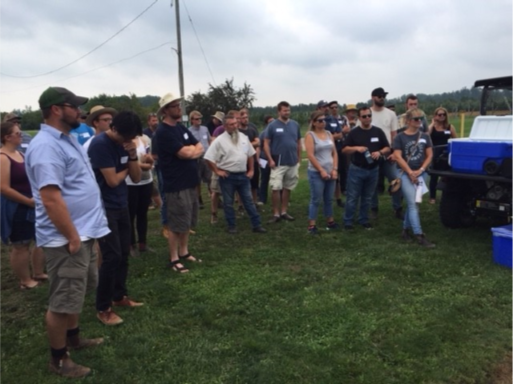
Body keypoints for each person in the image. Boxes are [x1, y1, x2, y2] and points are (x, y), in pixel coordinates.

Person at [25, 86, 110, 378]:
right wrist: (73, 237)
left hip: (83, 233)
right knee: (63, 301)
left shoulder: (67, 139)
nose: (80, 111)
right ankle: (59, 359)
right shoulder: (46, 146)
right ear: (57, 109)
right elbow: (50, 197)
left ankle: (74, 337)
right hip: (66, 238)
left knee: (77, 291)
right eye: (74, 106)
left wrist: (88, 233)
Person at [88, 111, 144, 326]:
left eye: (132, 138)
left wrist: (131, 157)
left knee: (123, 252)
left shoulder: (126, 144)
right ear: (114, 129)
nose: (129, 142)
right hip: (105, 207)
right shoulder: (100, 145)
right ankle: (103, 308)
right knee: (111, 257)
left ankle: (119, 296)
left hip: (122, 204)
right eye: (126, 138)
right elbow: (111, 181)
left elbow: (137, 177)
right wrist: (126, 171)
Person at [154, 93, 204, 273]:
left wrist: (191, 150)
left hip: (190, 182)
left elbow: (199, 146)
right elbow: (185, 154)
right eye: (174, 106)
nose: (178, 108)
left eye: (178, 105)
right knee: (176, 223)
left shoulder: (181, 128)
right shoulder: (163, 132)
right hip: (176, 185)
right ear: (165, 110)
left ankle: (184, 252)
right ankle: (173, 258)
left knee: (187, 220)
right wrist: (191, 151)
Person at [0, 122, 46, 289]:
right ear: (7, 137)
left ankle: (38, 272)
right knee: (21, 244)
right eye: (18, 133)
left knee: (40, 239)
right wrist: (27, 201)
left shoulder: (20, 154)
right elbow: (3, 188)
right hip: (17, 207)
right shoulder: (3, 158)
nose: (22, 135)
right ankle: (25, 281)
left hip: (32, 204)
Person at [204, 114, 267, 234]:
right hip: (228, 176)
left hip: (243, 175)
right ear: (225, 126)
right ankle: (231, 226)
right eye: (231, 124)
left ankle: (256, 225)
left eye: (235, 124)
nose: (235, 126)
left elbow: (250, 154)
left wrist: (251, 170)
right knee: (228, 203)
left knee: (248, 201)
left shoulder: (243, 137)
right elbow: (208, 157)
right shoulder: (219, 141)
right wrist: (217, 171)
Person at [342, 107, 391, 230]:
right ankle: (348, 221)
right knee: (353, 197)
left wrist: (380, 152)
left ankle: (363, 219)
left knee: (367, 197)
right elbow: (344, 149)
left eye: (369, 116)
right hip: (357, 169)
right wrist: (356, 148)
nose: (367, 118)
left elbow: (387, 148)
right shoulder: (354, 133)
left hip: (373, 169)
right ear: (359, 118)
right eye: (364, 116)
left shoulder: (378, 131)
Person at [393, 108, 435, 248]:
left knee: (415, 203)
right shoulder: (399, 137)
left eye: (421, 119)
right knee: (412, 204)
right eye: (416, 119)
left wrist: (421, 170)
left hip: (422, 173)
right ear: (408, 121)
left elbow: (429, 155)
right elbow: (398, 157)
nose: (419, 121)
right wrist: (410, 172)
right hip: (405, 173)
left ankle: (405, 230)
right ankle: (419, 234)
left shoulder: (425, 136)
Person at [263, 101, 301, 223]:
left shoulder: (295, 124)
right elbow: (266, 143)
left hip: (292, 162)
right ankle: (276, 213)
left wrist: (299, 158)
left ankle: (284, 211)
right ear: (279, 111)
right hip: (277, 163)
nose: (287, 112)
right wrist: (269, 159)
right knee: (275, 187)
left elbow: (299, 142)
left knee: (287, 187)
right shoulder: (272, 125)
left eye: (288, 110)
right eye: (285, 110)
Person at [369, 87, 402, 219]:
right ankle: (374, 209)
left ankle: (397, 208)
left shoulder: (391, 114)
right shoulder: (367, 114)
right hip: (372, 156)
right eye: (379, 95)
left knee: (396, 181)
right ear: (373, 97)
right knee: (372, 184)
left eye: (383, 95)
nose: (382, 97)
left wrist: (394, 153)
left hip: (388, 155)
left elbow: (394, 135)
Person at [304, 111, 339, 234]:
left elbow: (334, 153)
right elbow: (310, 155)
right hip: (316, 172)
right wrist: (321, 170)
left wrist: (335, 169)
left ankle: (330, 221)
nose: (323, 122)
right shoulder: (310, 135)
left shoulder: (329, 134)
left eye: (324, 120)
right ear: (314, 123)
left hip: (330, 171)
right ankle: (312, 225)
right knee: (316, 199)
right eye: (320, 120)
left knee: (329, 198)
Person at [126, 131, 154, 254]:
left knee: (143, 213)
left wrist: (150, 160)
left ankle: (143, 243)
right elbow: (127, 162)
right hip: (130, 183)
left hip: (146, 180)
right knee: (130, 215)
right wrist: (143, 165)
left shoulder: (144, 139)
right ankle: (131, 244)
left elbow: (150, 157)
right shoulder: (124, 142)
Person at [428, 107, 457, 204]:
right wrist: (432, 123)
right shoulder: (432, 127)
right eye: (439, 114)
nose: (442, 116)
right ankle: (432, 197)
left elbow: (455, 140)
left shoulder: (449, 127)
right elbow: (426, 135)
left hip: (446, 154)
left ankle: (449, 195)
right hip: (435, 154)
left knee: (448, 176)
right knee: (434, 177)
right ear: (435, 116)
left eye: (444, 114)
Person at [188, 110, 212, 209]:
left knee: (210, 179)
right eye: (197, 119)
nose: (199, 120)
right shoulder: (189, 131)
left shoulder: (205, 129)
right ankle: (199, 200)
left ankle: (215, 198)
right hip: (196, 159)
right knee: (197, 181)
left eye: (200, 118)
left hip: (207, 157)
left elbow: (209, 141)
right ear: (192, 120)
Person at [258, 115, 274, 205]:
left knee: (277, 180)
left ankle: (280, 198)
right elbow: (259, 147)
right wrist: (258, 159)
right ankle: (262, 198)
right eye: (270, 122)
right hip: (264, 159)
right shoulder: (263, 133)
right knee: (264, 179)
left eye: (273, 121)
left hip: (274, 159)